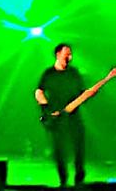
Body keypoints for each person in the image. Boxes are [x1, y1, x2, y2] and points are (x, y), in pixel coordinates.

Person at [35, 43, 87, 188]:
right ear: (58, 54)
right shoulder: (48, 73)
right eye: (66, 53)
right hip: (56, 117)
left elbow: (82, 92)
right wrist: (45, 107)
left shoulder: (74, 73)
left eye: (70, 54)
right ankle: (63, 179)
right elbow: (39, 91)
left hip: (73, 116)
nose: (69, 57)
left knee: (79, 146)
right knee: (59, 150)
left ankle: (79, 177)